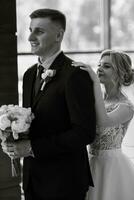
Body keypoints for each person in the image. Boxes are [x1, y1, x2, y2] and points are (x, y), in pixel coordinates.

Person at [2, 9, 96, 200]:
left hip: (64, 182)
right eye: (30, 30)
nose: (30, 37)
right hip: (32, 181)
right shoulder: (29, 75)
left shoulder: (75, 75)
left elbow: (84, 132)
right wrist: (12, 138)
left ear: (59, 35)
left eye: (39, 31)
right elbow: (34, 123)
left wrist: (31, 148)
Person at [72, 49, 134, 200]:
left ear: (121, 73)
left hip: (111, 168)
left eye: (107, 66)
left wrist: (93, 82)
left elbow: (103, 121)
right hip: (89, 162)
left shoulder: (126, 107)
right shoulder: (96, 101)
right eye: (99, 64)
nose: (99, 68)